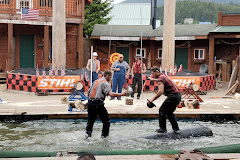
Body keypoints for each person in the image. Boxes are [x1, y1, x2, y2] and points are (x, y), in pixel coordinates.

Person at [86, 70, 128, 138]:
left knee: (90, 121)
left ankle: (87, 136)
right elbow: (111, 94)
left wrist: (89, 102)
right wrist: (122, 94)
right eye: (110, 77)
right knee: (106, 121)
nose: (111, 79)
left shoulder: (96, 81)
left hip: (90, 103)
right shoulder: (105, 83)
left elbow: (88, 92)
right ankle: (104, 137)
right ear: (107, 76)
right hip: (98, 103)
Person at [147, 66, 181, 134]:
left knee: (162, 110)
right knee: (169, 113)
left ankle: (163, 129)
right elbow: (160, 80)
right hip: (178, 96)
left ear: (157, 72)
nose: (152, 75)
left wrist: (151, 100)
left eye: (153, 73)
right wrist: (152, 79)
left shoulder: (160, 79)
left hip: (172, 97)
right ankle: (176, 129)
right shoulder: (163, 75)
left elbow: (160, 91)